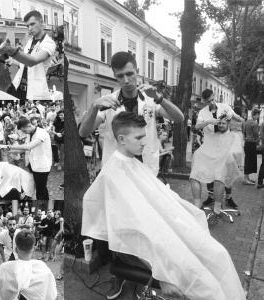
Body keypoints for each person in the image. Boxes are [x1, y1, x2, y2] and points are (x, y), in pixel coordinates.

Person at [82, 112, 245, 300]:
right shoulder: (112, 175)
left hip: (161, 232)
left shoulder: (133, 164)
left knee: (218, 254)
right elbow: (131, 233)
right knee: (203, 281)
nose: (144, 142)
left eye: (145, 136)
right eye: (139, 137)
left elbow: (158, 202)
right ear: (121, 139)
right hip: (146, 246)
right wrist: (161, 274)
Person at [79, 51, 184, 176]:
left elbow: (179, 118)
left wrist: (159, 97)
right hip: (117, 171)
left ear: (137, 71)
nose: (126, 80)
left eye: (130, 74)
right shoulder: (108, 101)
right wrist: (94, 106)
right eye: (120, 76)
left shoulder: (150, 99)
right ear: (115, 76)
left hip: (146, 168)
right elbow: (83, 132)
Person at [0, 10, 56, 101]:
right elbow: (26, 65)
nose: (30, 28)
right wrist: (14, 61)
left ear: (41, 22)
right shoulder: (30, 41)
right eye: (27, 26)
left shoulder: (49, 43)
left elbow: (33, 61)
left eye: (32, 24)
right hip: (17, 86)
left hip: (33, 94)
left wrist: (12, 52)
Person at [190, 115, 243, 225]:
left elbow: (237, 151)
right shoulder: (214, 136)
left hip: (225, 164)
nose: (221, 125)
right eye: (219, 123)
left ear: (228, 124)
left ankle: (217, 209)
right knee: (193, 176)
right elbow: (206, 148)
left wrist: (228, 156)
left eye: (223, 123)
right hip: (212, 163)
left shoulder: (234, 136)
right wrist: (198, 153)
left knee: (219, 178)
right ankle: (198, 205)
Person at [195, 88, 242, 209]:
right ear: (205, 101)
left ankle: (229, 197)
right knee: (210, 170)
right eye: (208, 101)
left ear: (214, 96)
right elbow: (197, 126)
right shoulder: (203, 112)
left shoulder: (224, 106)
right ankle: (211, 197)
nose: (211, 103)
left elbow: (239, 119)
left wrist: (232, 114)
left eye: (212, 100)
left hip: (224, 144)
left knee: (225, 171)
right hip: (211, 144)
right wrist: (208, 121)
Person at [0, 230, 57, 300]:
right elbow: (51, 294)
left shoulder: (5, 268)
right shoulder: (42, 268)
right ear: (33, 249)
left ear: (15, 249)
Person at [0, 118, 52, 200]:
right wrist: (10, 151)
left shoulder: (41, 133)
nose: (24, 133)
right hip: (35, 165)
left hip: (42, 167)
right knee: (41, 188)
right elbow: (25, 149)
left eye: (24, 130)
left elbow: (28, 146)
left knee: (40, 192)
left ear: (29, 125)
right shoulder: (31, 134)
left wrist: (8, 146)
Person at [244, 108, 261, 185]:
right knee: (250, 161)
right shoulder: (254, 123)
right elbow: (256, 133)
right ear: (256, 114)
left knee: (247, 160)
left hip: (247, 142)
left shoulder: (247, 121)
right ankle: (245, 179)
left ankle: (246, 177)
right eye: (258, 115)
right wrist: (258, 140)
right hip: (252, 143)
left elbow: (244, 131)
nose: (258, 116)